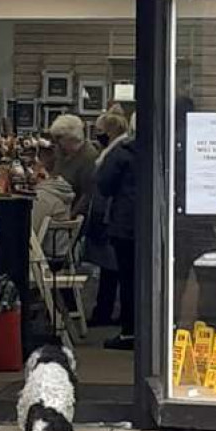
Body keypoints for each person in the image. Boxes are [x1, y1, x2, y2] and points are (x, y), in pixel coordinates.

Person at [96, 113, 138, 350]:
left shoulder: (122, 152)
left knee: (128, 277)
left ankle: (129, 330)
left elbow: (103, 183)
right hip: (158, 222)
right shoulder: (166, 147)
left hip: (125, 222)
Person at [87, 112, 129, 327]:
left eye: (100, 131)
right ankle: (107, 311)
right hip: (114, 215)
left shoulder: (117, 152)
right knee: (112, 268)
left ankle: (105, 311)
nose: (97, 135)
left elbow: (105, 183)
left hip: (113, 215)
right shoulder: (117, 150)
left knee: (112, 268)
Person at [48, 114, 98, 217]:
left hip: (72, 216)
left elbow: (87, 195)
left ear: (71, 138)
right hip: (56, 210)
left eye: (59, 138)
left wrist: (71, 217)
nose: (56, 143)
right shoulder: (62, 154)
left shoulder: (89, 157)